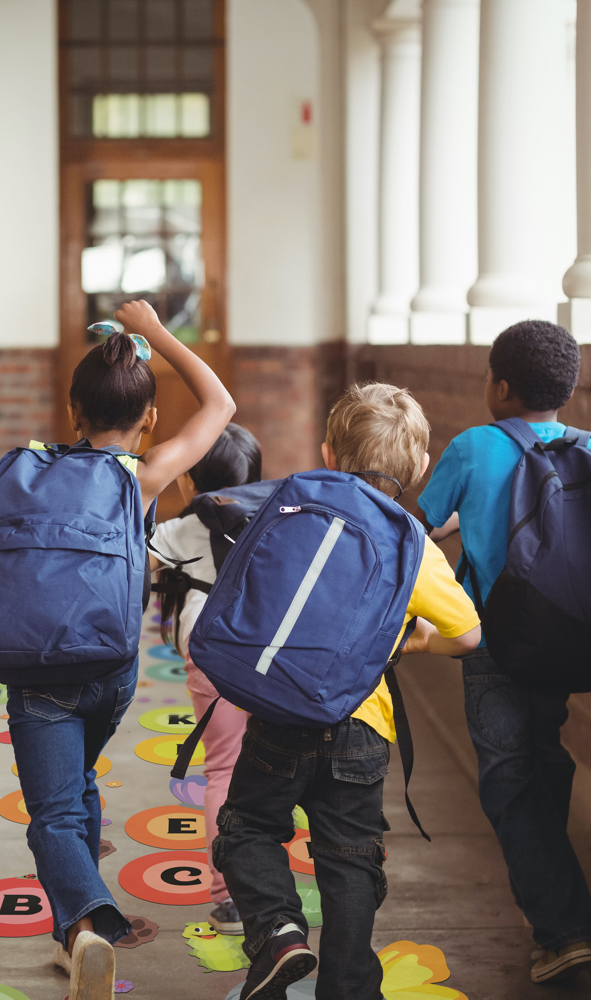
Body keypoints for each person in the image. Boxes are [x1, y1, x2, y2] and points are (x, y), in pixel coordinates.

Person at [0, 300, 235, 1000]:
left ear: (72, 411)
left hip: (37, 676)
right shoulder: (143, 476)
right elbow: (220, 402)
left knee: (55, 813)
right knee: (78, 782)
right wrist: (158, 334)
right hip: (110, 670)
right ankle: (91, 931)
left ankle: (87, 924)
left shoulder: (17, 474)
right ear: (150, 418)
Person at [214, 383, 482, 1000]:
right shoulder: (412, 543)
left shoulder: (294, 510)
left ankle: (279, 932)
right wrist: (411, 645)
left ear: (329, 453)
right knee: (350, 858)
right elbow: (467, 635)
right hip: (362, 729)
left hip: (280, 710)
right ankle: (349, 987)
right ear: (418, 469)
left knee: (249, 826)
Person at [419, 320, 591, 984]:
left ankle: (564, 930)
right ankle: (563, 906)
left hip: (493, 644)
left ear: (498, 385)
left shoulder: (473, 446)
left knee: (509, 784)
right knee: (543, 761)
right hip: (570, 640)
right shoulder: (584, 449)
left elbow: (428, 524)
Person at [148, 423, 262, 935]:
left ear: (190, 481)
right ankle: (270, 885)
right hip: (268, 652)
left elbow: (142, 570)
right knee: (270, 767)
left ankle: (230, 897)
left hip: (208, 650)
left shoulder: (175, 532)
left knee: (222, 770)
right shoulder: (273, 524)